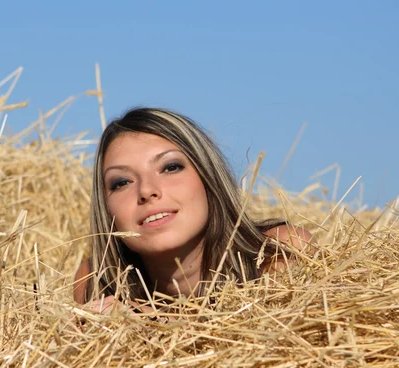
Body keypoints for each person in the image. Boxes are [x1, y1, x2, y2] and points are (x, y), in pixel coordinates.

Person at [73, 107, 314, 312]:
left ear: (208, 177)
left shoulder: (281, 251)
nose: (147, 190)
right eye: (121, 182)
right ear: (106, 208)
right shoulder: (96, 280)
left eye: (170, 167)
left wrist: (155, 323)